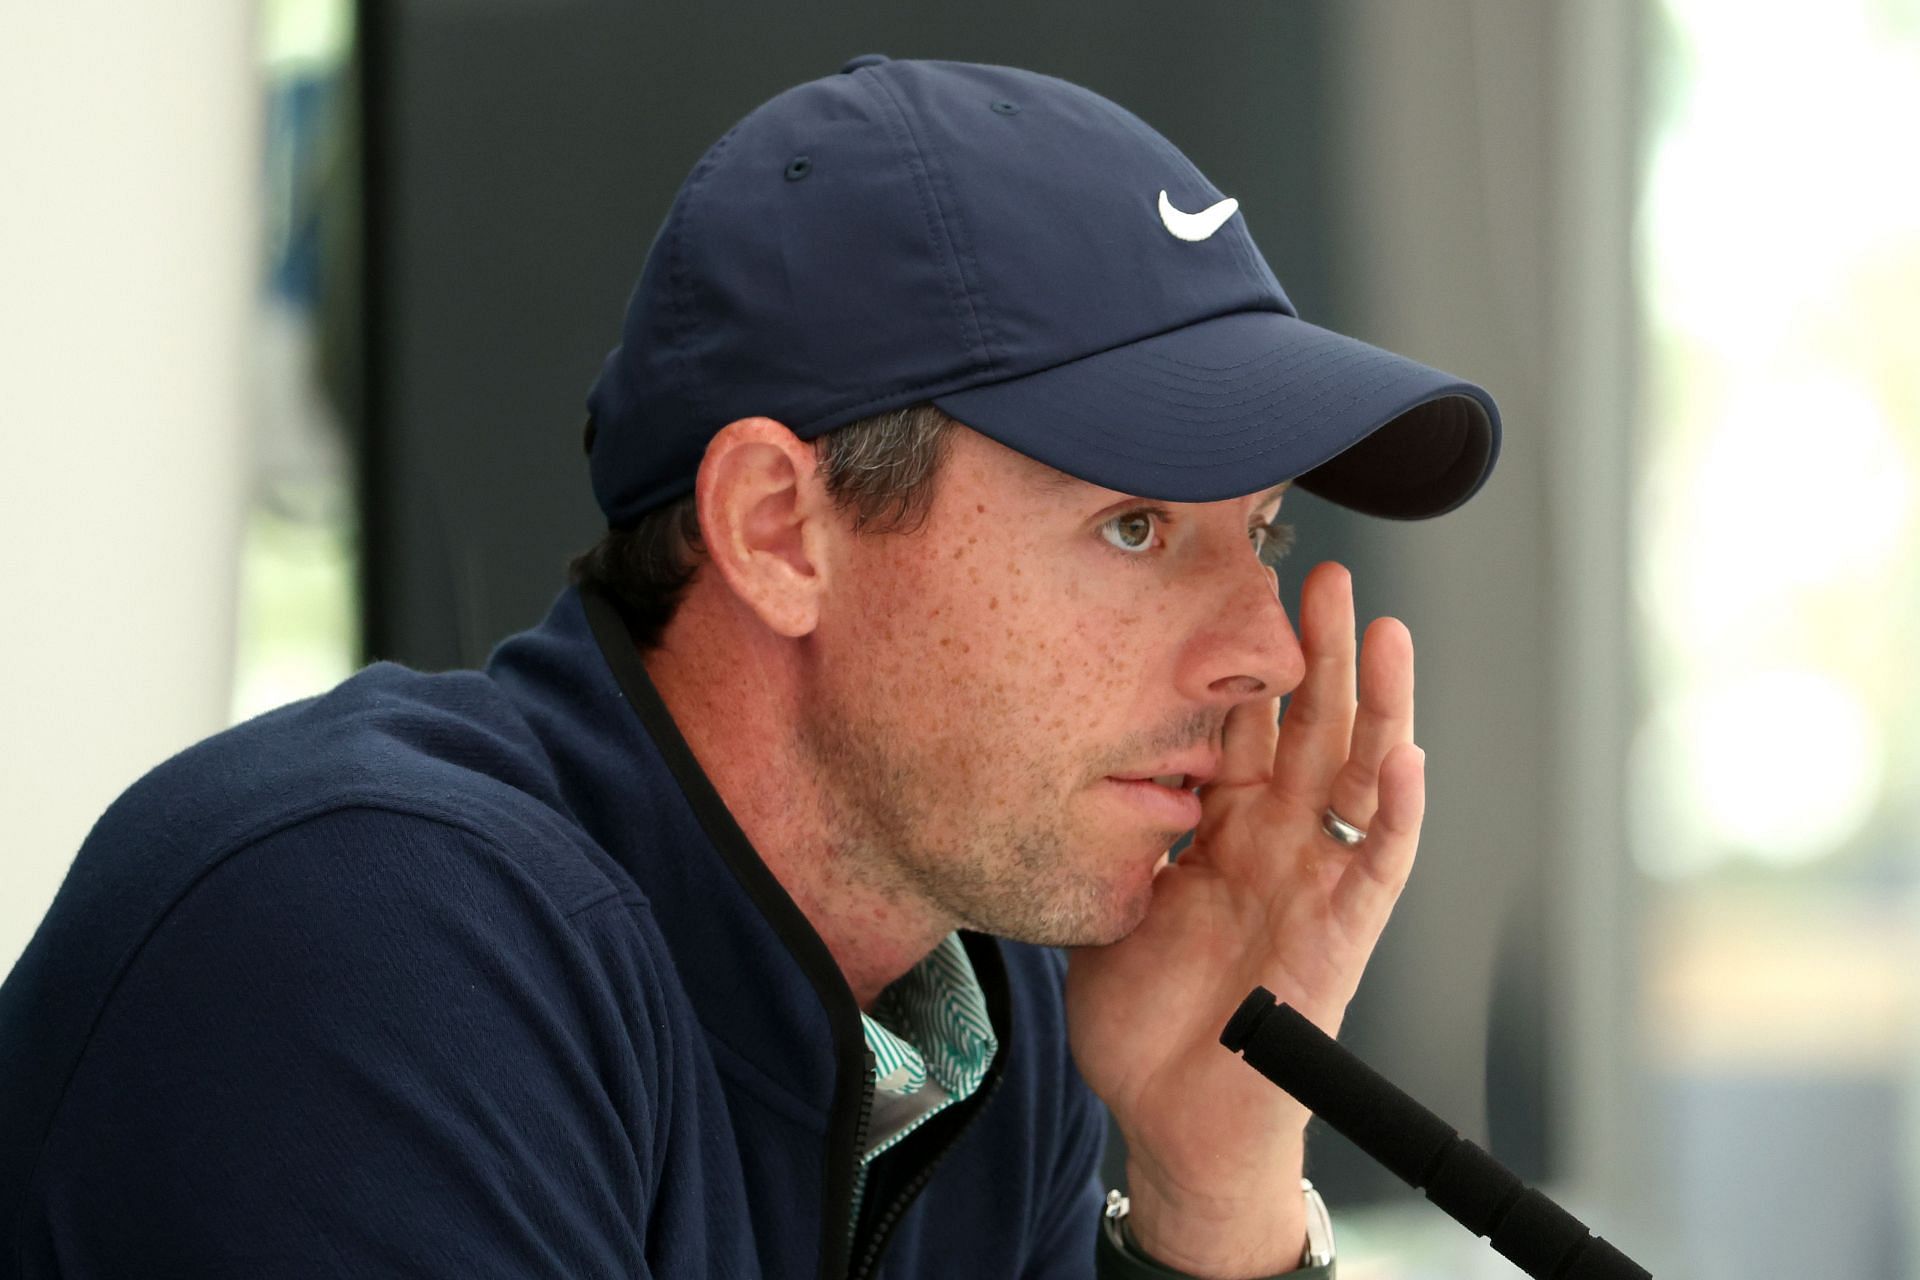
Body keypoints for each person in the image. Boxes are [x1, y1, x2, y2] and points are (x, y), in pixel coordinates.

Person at [0, 55, 1499, 1279]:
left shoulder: (979, 1019)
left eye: (1261, 530)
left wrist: (1213, 1190)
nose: (1259, 649)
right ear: (781, 529)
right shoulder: (366, 934)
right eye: (1130, 523)